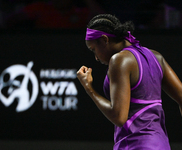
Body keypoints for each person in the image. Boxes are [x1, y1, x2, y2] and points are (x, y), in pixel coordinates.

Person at [77, 14, 182, 149]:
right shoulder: (156, 57)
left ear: (104, 40)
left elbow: (119, 117)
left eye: (94, 50)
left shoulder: (119, 60)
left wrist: (88, 88)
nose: (96, 58)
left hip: (135, 145)